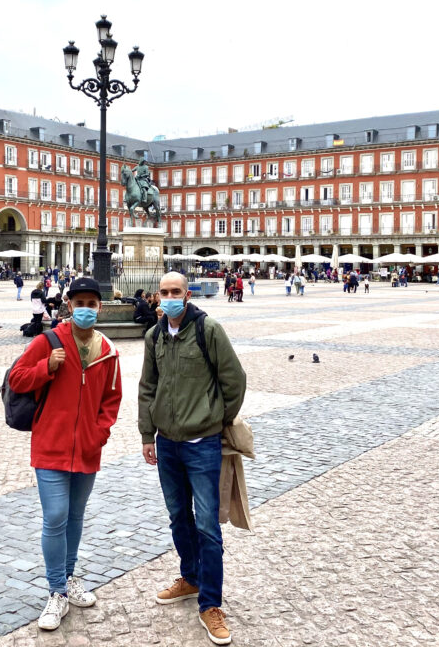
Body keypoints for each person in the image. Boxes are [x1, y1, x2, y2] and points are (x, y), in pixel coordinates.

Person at [8, 277, 123, 632]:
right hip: (51, 444)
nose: (86, 308)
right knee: (55, 515)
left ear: (99, 306)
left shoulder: (107, 350)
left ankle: (70, 577)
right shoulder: (49, 341)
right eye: (80, 302)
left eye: (92, 302)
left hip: (87, 449)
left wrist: (99, 433)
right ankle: (56, 590)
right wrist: (47, 367)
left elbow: (112, 399)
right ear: (69, 305)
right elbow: (17, 379)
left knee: (75, 516)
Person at [138, 272, 247, 646]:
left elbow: (234, 380)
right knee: (178, 517)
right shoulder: (153, 336)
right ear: (158, 296)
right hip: (167, 443)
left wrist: (216, 418)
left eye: (176, 292)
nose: (169, 297)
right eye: (164, 292)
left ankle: (211, 603)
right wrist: (145, 434)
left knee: (207, 526)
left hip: (202, 443)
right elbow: (147, 387)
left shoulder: (208, 330)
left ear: (187, 295)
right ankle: (190, 577)